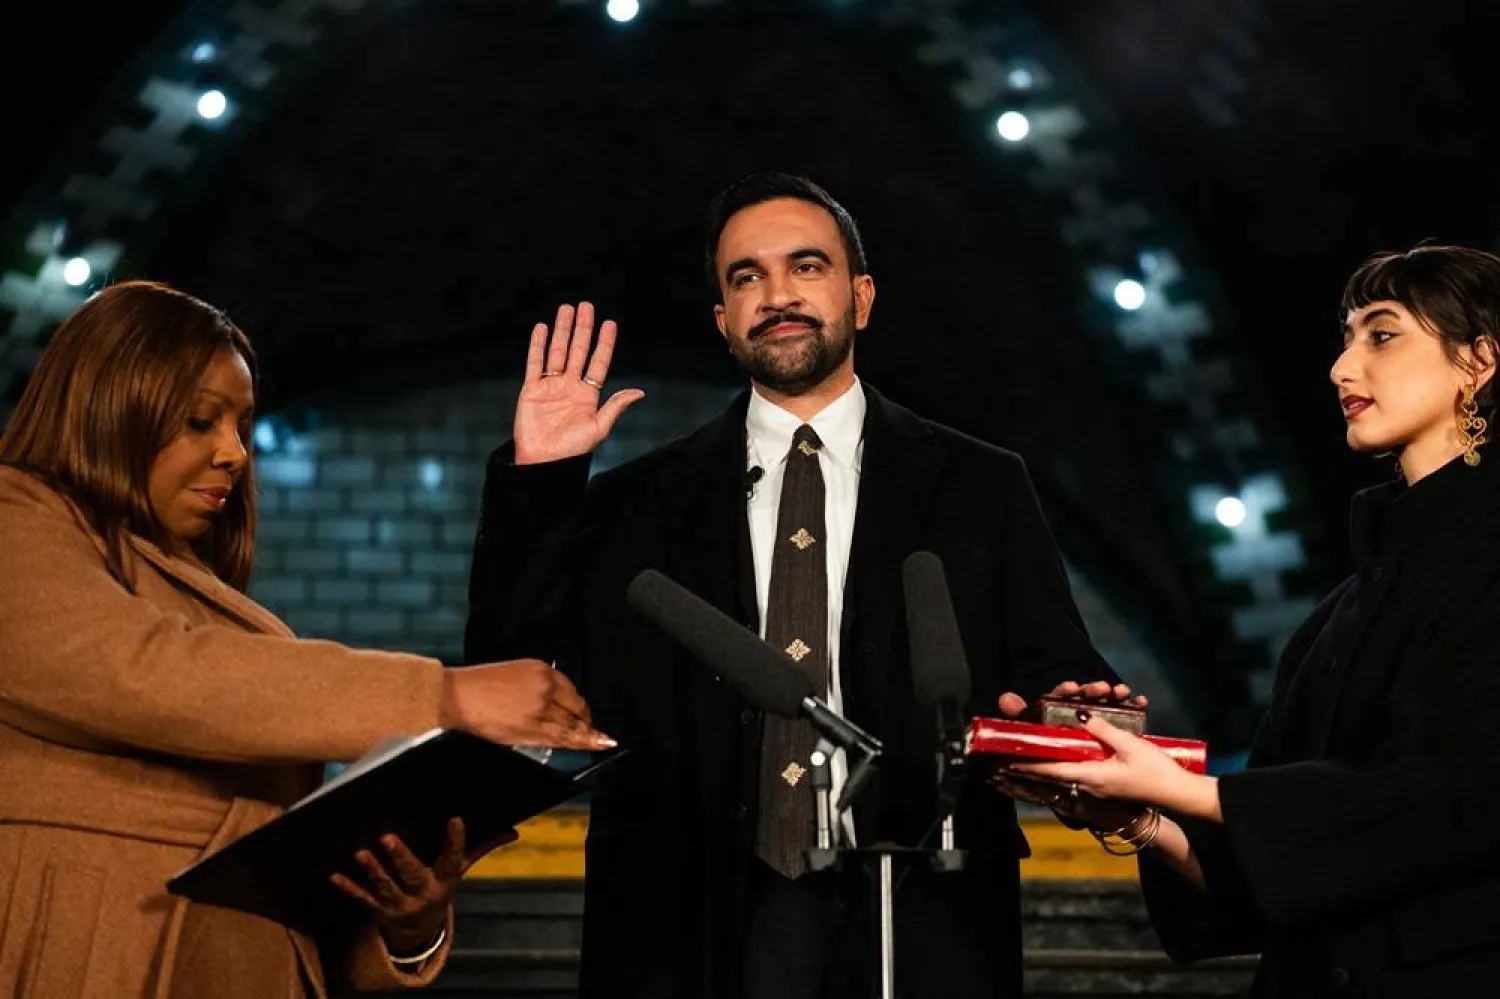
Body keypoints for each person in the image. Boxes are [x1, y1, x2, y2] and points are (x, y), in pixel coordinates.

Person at [465, 171, 1134, 999]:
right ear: (722, 320)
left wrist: (1069, 717)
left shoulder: (979, 485)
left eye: (806, 266)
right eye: (746, 277)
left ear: (862, 295)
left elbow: (1050, 674)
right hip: (684, 926)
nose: (776, 293)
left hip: (918, 913)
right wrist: (542, 478)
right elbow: (506, 668)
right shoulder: (634, 502)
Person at [0, 280, 612, 998]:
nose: (234, 452)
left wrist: (408, 925)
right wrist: (445, 696)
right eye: (200, 419)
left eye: (242, 424)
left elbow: (302, 921)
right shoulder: (19, 517)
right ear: (110, 407)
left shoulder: (212, 599)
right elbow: (139, 669)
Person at [1009, 244, 1500, 996]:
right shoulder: (1341, 611)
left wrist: (1184, 790)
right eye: (1346, 338)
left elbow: (1444, 797)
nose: (1342, 368)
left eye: (1382, 333)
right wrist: (1140, 809)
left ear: (1479, 361)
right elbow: (1274, 866)